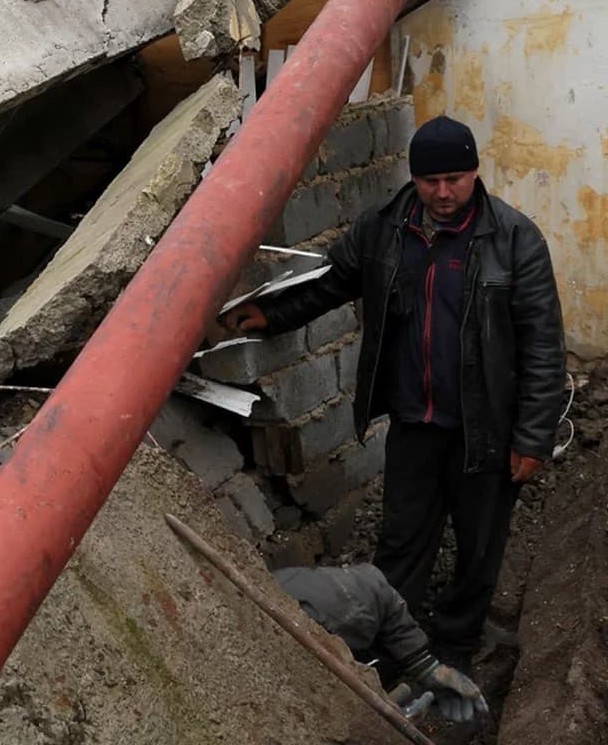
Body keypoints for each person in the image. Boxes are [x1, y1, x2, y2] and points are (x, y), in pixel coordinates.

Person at [225, 116, 565, 668]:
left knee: (479, 546)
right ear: (415, 178)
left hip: (487, 427)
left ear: (476, 173)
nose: (444, 192)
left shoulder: (515, 239)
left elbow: (543, 343)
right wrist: (270, 314)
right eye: (432, 181)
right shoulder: (385, 227)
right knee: (403, 540)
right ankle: (392, 646)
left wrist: (532, 437)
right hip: (415, 421)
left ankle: (456, 646)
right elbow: (333, 282)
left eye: (456, 178)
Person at [276, 563, 490, 723]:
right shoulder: (273, 689)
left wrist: (427, 668)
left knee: (380, 665)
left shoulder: (334, 602)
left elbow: (376, 593)